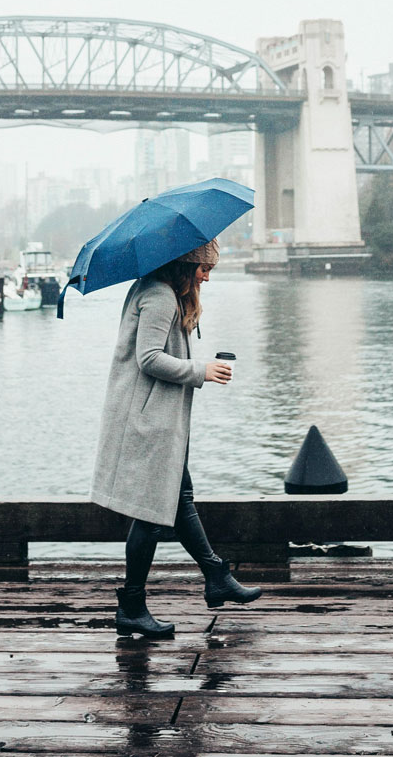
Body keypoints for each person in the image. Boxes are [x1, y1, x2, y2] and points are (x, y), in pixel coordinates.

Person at [91, 237, 262, 638]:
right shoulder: (160, 296)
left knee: (179, 496)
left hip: (155, 418)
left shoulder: (158, 291)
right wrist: (200, 370)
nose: (206, 276)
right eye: (203, 268)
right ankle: (131, 606)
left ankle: (216, 576)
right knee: (151, 515)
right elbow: (148, 358)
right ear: (185, 264)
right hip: (147, 421)